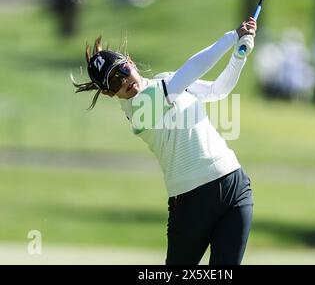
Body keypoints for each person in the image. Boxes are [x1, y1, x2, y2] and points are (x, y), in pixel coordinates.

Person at [72, 17, 257, 265]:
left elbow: (217, 91)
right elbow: (192, 70)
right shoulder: (139, 109)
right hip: (190, 202)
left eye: (123, 71)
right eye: (115, 81)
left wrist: (239, 56)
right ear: (108, 92)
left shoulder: (166, 81)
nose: (125, 81)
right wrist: (231, 37)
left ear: (131, 63)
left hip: (234, 185)